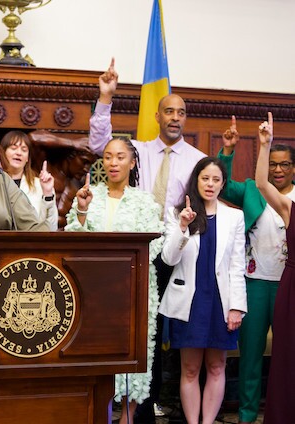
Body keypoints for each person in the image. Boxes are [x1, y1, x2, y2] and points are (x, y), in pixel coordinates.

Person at [89, 58, 206, 422]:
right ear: (157, 116)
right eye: (168, 110)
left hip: (179, 245)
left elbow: (215, 191)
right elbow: (99, 144)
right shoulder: (136, 151)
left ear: (185, 118)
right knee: (131, 331)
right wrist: (105, 98)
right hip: (135, 247)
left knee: (160, 334)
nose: (175, 117)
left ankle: (149, 403)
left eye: (181, 112)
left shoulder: (199, 158)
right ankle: (127, 411)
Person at [65, 137, 164, 424]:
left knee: (135, 354)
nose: (113, 163)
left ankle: (128, 418)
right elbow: (74, 239)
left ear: (132, 162)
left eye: (120, 157)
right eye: (108, 157)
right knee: (98, 354)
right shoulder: (88, 195)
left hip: (134, 290)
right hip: (94, 291)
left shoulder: (145, 201)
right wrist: (82, 209)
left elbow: (154, 245)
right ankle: (101, 415)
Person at [216, 115, 295, 424]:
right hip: (255, 282)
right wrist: (227, 152)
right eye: (273, 163)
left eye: (284, 164)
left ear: (292, 167)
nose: (277, 169)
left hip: (287, 283)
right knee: (250, 356)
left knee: (287, 355)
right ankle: (248, 416)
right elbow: (220, 186)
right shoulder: (251, 189)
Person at [158, 157, 246, 424]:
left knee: (217, 367)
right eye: (205, 178)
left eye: (216, 179)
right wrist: (183, 226)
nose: (210, 184)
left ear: (223, 184)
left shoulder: (234, 216)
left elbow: (237, 265)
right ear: (196, 181)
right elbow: (168, 259)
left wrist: (237, 307)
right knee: (190, 368)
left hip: (221, 302)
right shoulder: (177, 213)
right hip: (189, 302)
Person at [255, 113, 295, 423]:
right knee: (286, 358)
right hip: (291, 290)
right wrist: (264, 145)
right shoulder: (289, 207)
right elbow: (261, 183)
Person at [27, 130, 96, 229]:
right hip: (39, 236)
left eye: (90, 165)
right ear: (71, 156)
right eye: (84, 162)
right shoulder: (46, 170)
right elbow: (33, 138)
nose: (86, 169)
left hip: (65, 240)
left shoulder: (79, 187)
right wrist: (72, 143)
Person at [0, 131, 58, 230]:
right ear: (3, 153)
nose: (18, 153)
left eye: (24, 150)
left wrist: (47, 194)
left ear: (27, 158)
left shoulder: (40, 185)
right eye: (14, 148)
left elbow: (51, 227)